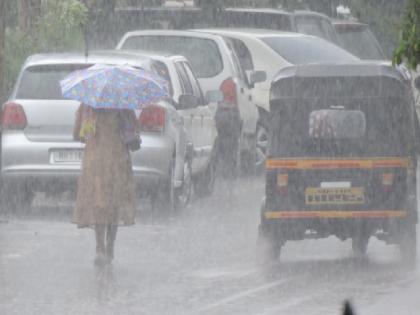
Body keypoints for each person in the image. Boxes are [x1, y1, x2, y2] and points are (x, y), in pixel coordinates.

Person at [73, 104, 137, 266]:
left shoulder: (88, 105)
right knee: (114, 204)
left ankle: (100, 248)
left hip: (96, 161)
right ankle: (110, 248)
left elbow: (78, 134)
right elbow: (133, 133)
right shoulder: (123, 104)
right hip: (118, 159)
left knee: (99, 204)